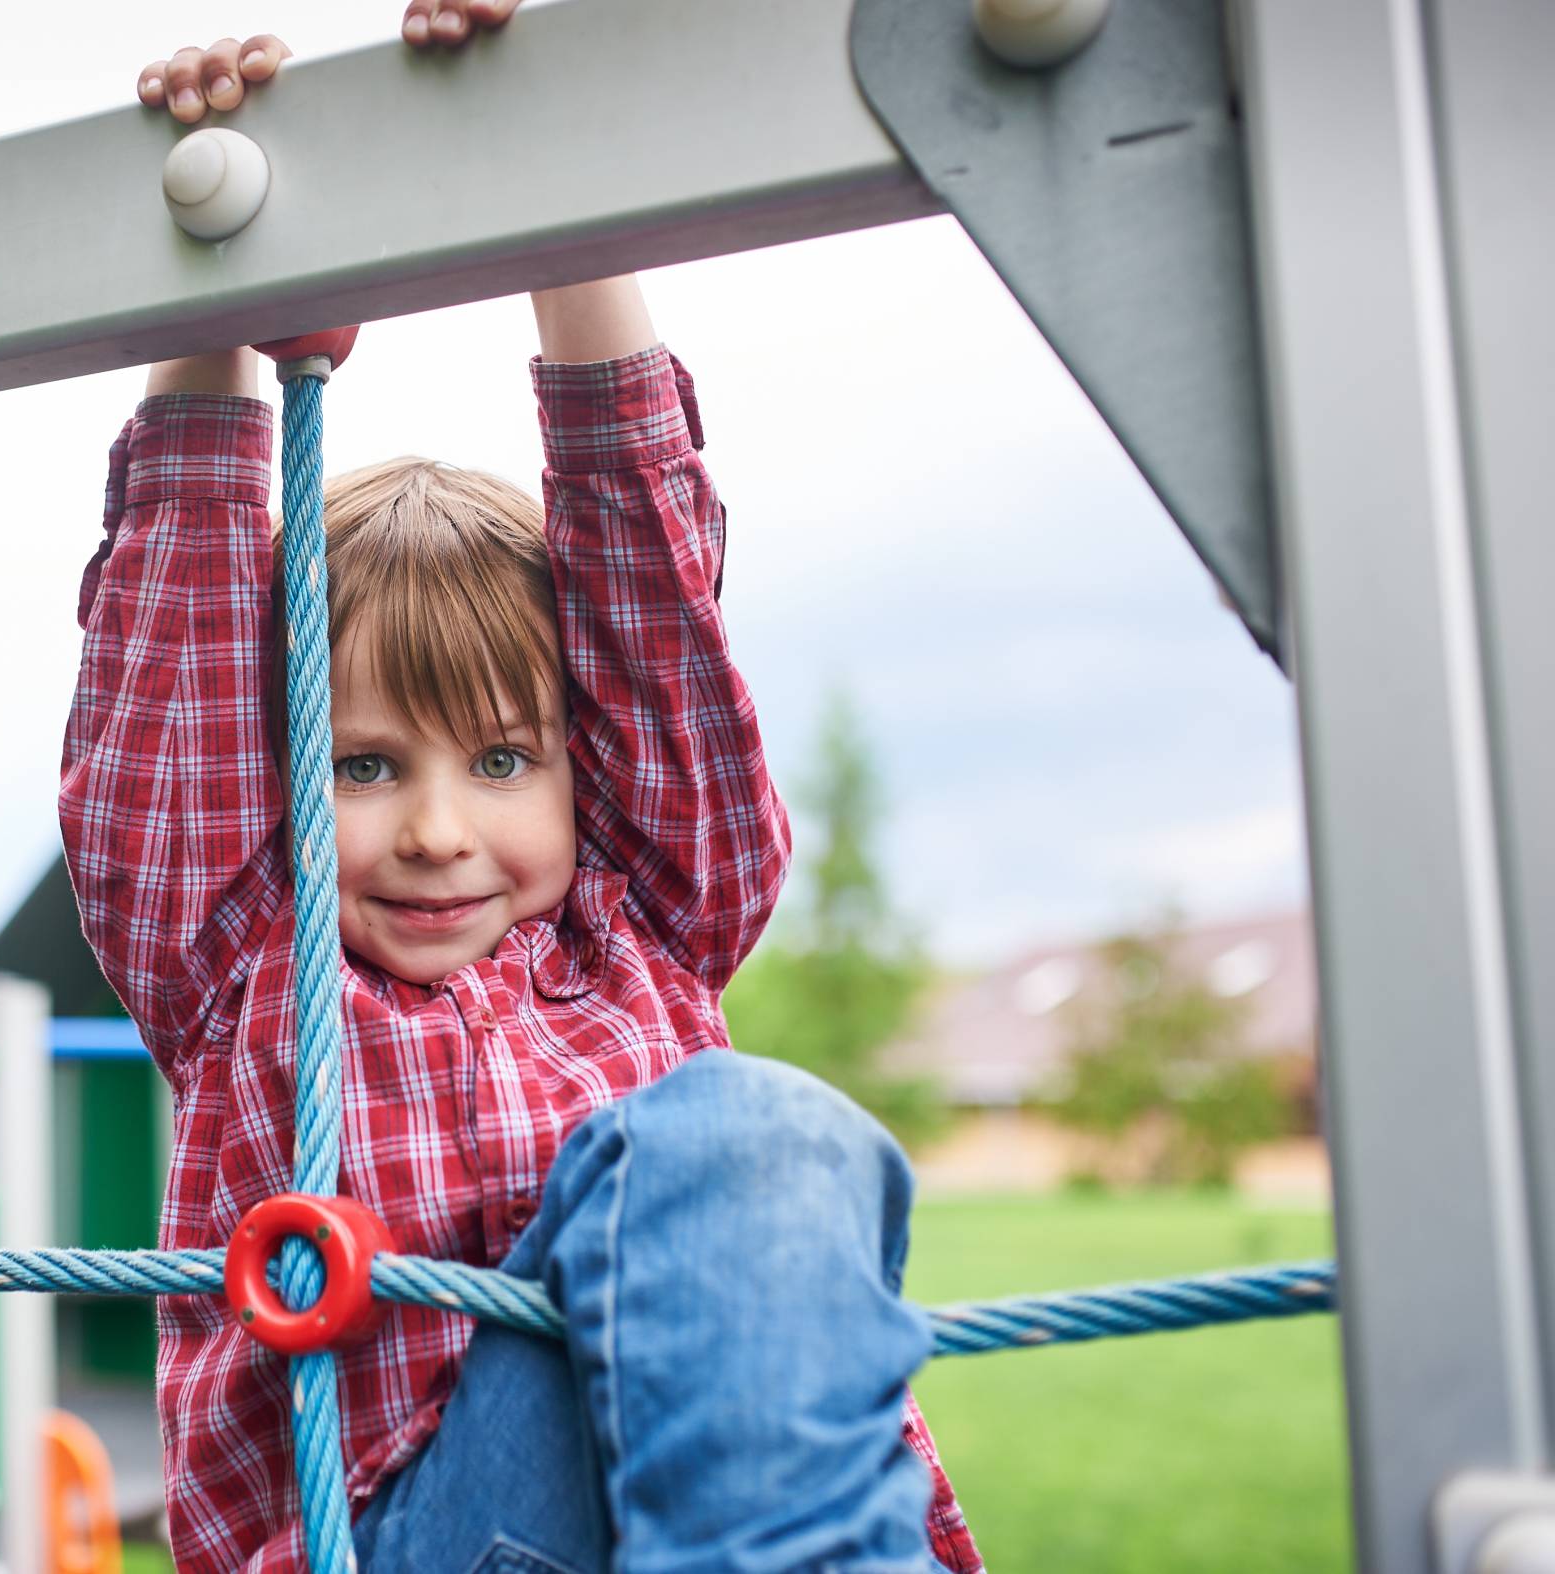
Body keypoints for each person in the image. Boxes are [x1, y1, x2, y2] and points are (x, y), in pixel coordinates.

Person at [62, 14, 983, 1571]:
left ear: (582, 765)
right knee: (728, 1138)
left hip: (688, 1510)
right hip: (413, 1527)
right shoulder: (248, 962)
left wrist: (550, 147)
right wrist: (223, 250)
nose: (437, 831)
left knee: (762, 1135)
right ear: (277, 781)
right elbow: (179, 644)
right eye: (363, 765)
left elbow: (649, 596)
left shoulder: (651, 924)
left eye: (501, 760)